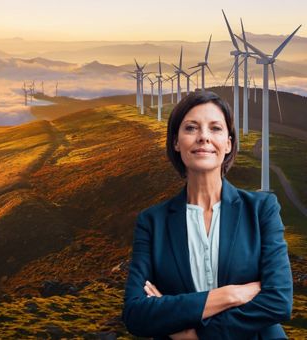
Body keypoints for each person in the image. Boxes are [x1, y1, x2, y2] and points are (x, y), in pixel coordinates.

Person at [121, 91, 293, 340]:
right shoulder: (152, 222)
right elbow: (136, 314)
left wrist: (197, 335)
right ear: (176, 142)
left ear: (229, 143)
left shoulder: (261, 209)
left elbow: (279, 301)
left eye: (215, 128)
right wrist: (229, 295)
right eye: (191, 128)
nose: (203, 137)